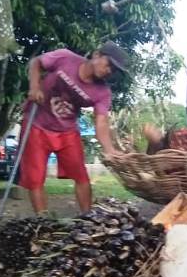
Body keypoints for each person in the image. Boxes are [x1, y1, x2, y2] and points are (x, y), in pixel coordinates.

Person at [21, 42, 126, 214]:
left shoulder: (103, 92)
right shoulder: (65, 57)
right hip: (37, 124)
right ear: (96, 55)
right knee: (35, 179)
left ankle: (87, 217)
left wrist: (110, 149)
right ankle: (43, 221)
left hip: (67, 131)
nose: (109, 71)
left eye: (113, 70)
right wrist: (34, 86)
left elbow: (101, 122)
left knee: (81, 176)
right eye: (109, 65)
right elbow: (36, 63)